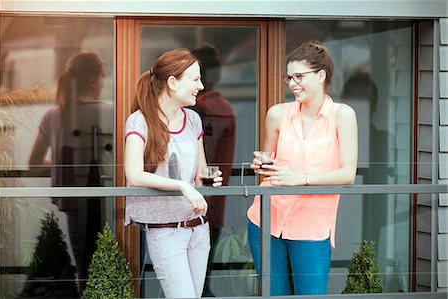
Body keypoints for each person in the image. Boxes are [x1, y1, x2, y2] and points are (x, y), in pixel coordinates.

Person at [247, 40, 358, 295]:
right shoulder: (277, 114)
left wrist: (302, 179)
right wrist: (261, 166)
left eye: (299, 76)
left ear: (321, 76)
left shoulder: (343, 115)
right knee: (273, 295)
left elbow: (347, 173)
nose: (292, 83)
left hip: (312, 226)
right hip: (266, 220)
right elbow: (268, 165)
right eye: (289, 77)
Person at [124, 48, 223, 298]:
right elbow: (134, 175)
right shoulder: (139, 121)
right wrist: (183, 186)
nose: (201, 86)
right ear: (172, 82)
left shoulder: (193, 120)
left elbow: (200, 172)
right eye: (195, 79)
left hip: (198, 229)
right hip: (165, 232)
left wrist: (208, 179)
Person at [28, 51, 113, 294]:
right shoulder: (110, 113)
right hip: (112, 200)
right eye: (103, 77)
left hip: (75, 201)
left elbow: (34, 164)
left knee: (84, 265)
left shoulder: (53, 115)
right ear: (93, 80)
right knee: (114, 259)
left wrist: (62, 166)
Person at [190, 44, 236, 297]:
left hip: (195, 204)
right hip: (217, 203)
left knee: (196, 283)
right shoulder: (225, 107)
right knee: (202, 278)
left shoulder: (198, 110)